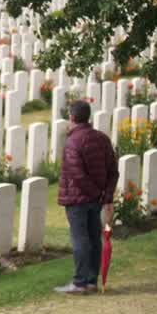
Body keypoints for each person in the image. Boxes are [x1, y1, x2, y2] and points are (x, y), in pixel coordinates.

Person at [56, 98, 118, 294]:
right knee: (93, 238)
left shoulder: (73, 142)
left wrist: (97, 194)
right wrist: (105, 196)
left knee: (80, 239)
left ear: (72, 117)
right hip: (95, 199)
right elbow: (112, 171)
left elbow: (78, 175)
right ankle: (91, 281)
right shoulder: (102, 138)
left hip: (78, 199)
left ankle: (80, 282)